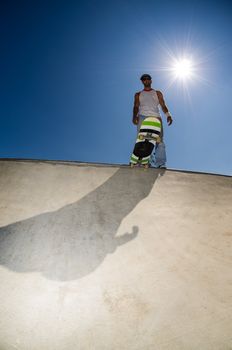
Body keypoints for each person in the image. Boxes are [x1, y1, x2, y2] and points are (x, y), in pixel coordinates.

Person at [132, 73, 173, 168]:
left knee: (159, 140)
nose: (146, 80)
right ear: (142, 81)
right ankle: (143, 161)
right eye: (144, 79)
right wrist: (134, 116)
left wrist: (168, 115)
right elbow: (136, 106)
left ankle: (161, 162)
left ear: (151, 80)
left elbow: (163, 105)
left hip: (156, 117)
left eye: (148, 78)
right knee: (142, 139)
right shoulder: (138, 94)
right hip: (142, 116)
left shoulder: (158, 93)